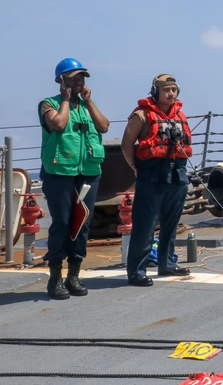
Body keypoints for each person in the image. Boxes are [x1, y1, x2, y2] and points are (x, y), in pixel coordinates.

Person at [38, 58, 110, 300]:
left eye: (82, 78)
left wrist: (88, 102)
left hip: (88, 173)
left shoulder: (88, 105)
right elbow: (58, 124)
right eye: (73, 77)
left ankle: (74, 276)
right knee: (62, 223)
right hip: (60, 175)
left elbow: (104, 126)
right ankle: (55, 278)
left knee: (82, 224)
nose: (79, 81)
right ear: (61, 81)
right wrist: (66, 100)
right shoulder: (49, 104)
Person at [120, 74, 194, 286]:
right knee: (145, 224)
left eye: (174, 89)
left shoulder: (180, 115)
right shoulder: (141, 115)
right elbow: (127, 144)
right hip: (151, 175)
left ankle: (167, 263)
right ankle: (137, 271)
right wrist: (135, 167)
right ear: (155, 92)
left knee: (171, 223)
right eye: (166, 90)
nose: (171, 93)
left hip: (177, 174)